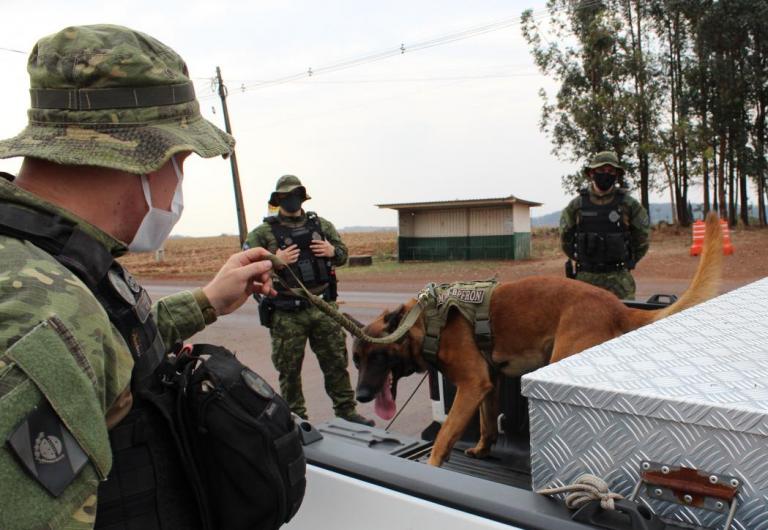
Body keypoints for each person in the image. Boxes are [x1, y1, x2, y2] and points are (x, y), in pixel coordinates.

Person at [0, 25, 276, 529]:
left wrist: (208, 300)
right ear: (145, 159)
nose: (179, 181)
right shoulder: (51, 314)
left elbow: (103, 347)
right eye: (182, 160)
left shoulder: (41, 257)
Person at [245, 175, 374, 427]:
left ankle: (347, 413)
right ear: (278, 199)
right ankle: (297, 420)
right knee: (289, 370)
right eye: (285, 196)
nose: (291, 200)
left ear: (302, 197)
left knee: (336, 362)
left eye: (295, 194)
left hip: (323, 307)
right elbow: (247, 266)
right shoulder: (263, 233)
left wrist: (331, 251)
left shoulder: (321, 225)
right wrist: (275, 259)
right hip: (286, 312)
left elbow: (342, 255)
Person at [559, 151, 650, 300]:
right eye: (601, 170)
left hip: (619, 280)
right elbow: (565, 240)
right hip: (586, 278)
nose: (606, 174)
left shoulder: (630, 205)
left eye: (610, 171)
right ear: (592, 173)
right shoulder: (576, 205)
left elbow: (642, 240)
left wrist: (626, 262)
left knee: (625, 321)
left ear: (616, 174)